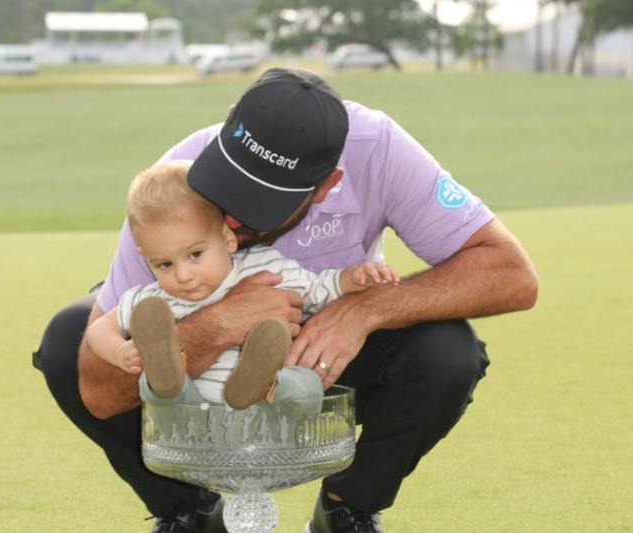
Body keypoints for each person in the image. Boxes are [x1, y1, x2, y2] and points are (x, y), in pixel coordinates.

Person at [33, 67, 538, 533]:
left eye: (260, 206)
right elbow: (99, 392)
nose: (231, 218)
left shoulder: (377, 148)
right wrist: (218, 324)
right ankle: (187, 511)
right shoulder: (171, 182)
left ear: (326, 187)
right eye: (226, 185)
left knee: (448, 352)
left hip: (314, 359)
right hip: (189, 349)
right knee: (65, 343)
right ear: (230, 123)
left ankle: (347, 509)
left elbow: (512, 273)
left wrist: (363, 309)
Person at [86, 160, 399, 412]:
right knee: (156, 387)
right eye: (163, 264)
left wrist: (354, 277)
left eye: (195, 255)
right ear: (146, 258)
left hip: (268, 405)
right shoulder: (152, 301)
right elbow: (99, 329)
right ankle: (170, 375)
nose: (182, 276)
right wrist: (119, 352)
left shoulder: (264, 269)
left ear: (227, 238)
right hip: (192, 415)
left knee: (305, 383)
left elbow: (319, 290)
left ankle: (260, 382)